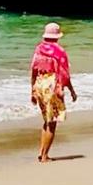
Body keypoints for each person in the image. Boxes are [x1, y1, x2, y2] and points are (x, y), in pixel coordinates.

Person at [30, 22, 77, 160]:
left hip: (39, 84)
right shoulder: (59, 51)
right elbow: (64, 75)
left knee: (46, 119)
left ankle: (41, 152)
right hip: (52, 85)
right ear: (57, 36)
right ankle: (44, 156)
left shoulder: (39, 49)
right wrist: (72, 91)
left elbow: (33, 70)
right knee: (52, 122)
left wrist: (32, 90)